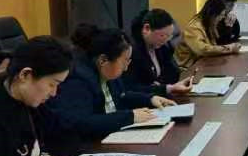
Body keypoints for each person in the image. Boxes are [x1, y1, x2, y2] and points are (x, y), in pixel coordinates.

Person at [46, 26, 175, 140]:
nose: (126, 68)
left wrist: (150, 99)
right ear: (103, 60)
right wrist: (129, 117)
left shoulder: (109, 75)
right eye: (124, 61)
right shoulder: (78, 80)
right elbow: (82, 122)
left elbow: (122, 96)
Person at [124, 8, 192, 97]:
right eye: (162, 35)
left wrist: (160, 85)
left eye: (169, 36)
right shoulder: (131, 51)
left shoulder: (161, 47)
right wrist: (163, 87)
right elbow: (131, 88)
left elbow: (174, 73)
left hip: (161, 96)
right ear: (146, 29)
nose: (166, 40)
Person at [175, 0, 242, 71]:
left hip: (203, 63)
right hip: (188, 69)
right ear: (213, 14)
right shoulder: (194, 28)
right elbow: (203, 50)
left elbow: (216, 43)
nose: (222, 18)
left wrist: (228, 27)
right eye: (221, 15)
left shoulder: (208, 23)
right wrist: (230, 48)